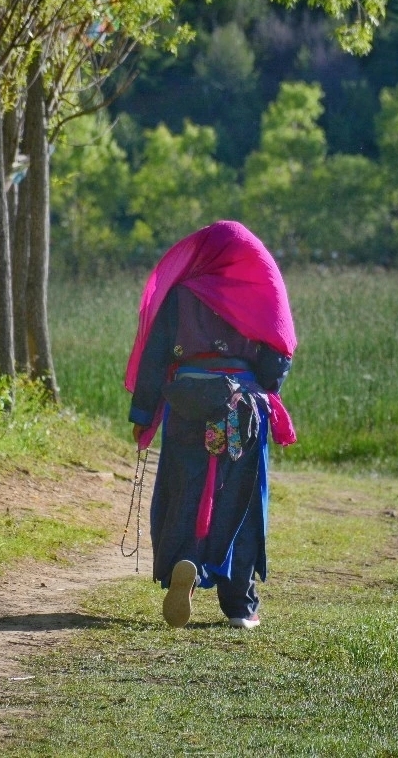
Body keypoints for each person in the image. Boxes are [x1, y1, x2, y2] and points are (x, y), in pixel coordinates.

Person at [125, 221, 297, 629]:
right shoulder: (259, 288)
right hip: (241, 408)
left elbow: (154, 358)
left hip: (186, 404)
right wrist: (258, 384)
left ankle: (184, 561)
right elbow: (276, 359)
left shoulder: (181, 294)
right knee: (240, 500)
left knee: (186, 487)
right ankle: (238, 603)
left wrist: (143, 414)